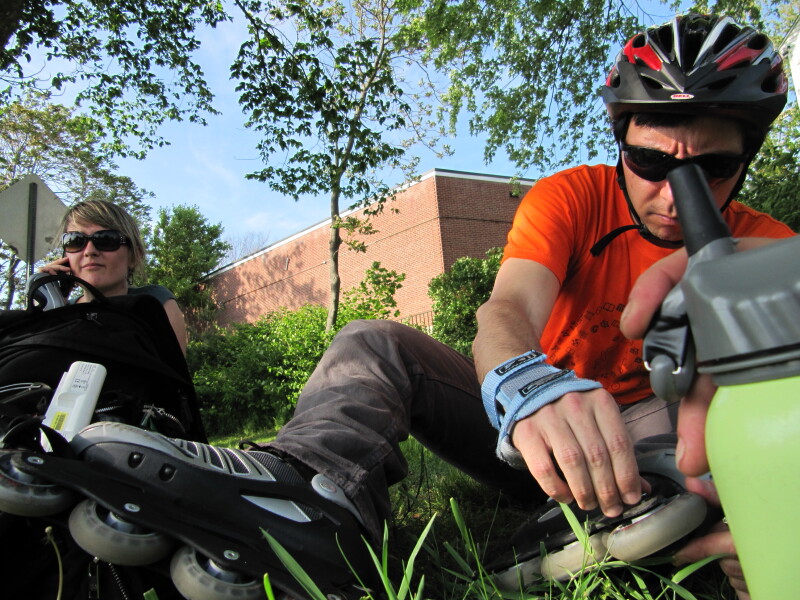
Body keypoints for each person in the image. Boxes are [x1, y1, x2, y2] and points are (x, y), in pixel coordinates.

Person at [264, 13, 792, 596]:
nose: (674, 195)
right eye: (650, 162)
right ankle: (296, 494)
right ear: (621, 143)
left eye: (713, 168)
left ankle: (640, 519)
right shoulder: (572, 196)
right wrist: (526, 383)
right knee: (372, 343)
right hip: (528, 425)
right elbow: (507, 309)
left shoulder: (773, 247)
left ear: (746, 160)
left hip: (661, 438)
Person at [38, 200, 188, 354]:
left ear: (134, 256)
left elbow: (172, 373)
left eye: (106, 239)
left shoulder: (155, 303)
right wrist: (48, 305)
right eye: (75, 240)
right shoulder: (57, 311)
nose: (89, 251)